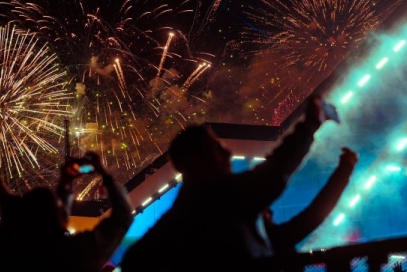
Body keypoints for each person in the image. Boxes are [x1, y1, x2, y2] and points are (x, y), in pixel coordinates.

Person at [120, 95, 334, 272]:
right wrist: (311, 123)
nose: (228, 153)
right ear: (194, 160)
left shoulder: (180, 216)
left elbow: (134, 259)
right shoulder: (216, 199)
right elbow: (275, 171)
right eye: (216, 148)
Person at [0, 150, 134, 272]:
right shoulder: (75, 254)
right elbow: (123, 216)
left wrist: (65, 183)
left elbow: (48, 218)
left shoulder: (7, 254)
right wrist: (104, 173)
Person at [259, 147, 358, 271]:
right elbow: (316, 212)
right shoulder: (274, 239)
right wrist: (345, 168)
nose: (271, 213)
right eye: (265, 211)